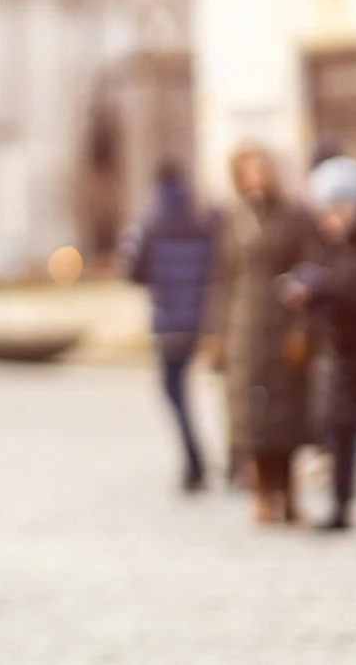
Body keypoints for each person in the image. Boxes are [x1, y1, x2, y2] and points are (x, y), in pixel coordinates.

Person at [216, 144, 318, 525]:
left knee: (287, 413)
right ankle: (260, 492)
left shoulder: (292, 217)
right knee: (250, 416)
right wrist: (217, 332)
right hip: (245, 326)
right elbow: (222, 278)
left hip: (281, 321)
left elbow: (308, 271)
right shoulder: (234, 219)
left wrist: (303, 328)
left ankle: (288, 493)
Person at [123, 159, 216, 492]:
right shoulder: (200, 219)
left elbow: (132, 271)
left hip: (167, 322)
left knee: (172, 390)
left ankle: (194, 459)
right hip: (198, 320)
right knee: (185, 387)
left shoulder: (150, 222)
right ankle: (208, 458)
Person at [288, 156, 356, 530]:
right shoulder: (336, 244)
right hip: (346, 350)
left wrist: (323, 288)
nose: (329, 220)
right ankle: (340, 506)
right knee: (341, 428)